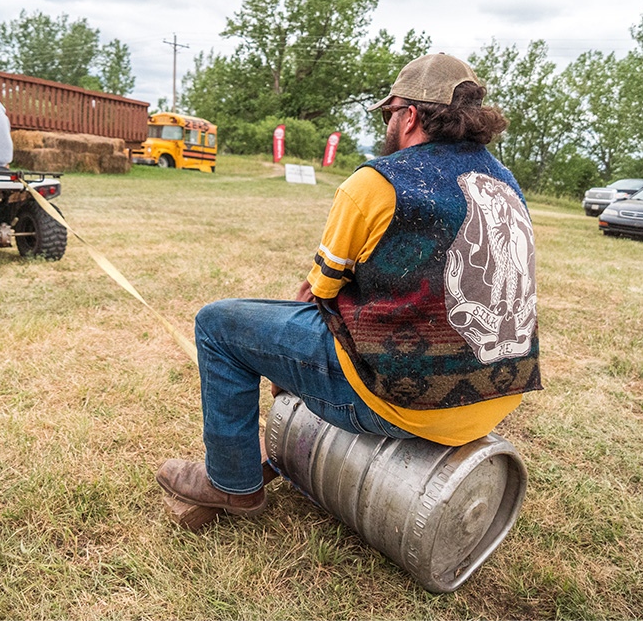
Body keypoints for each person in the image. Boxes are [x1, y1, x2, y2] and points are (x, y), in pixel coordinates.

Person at [156, 53, 542, 518]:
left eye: (388, 113)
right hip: (495, 400)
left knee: (217, 325)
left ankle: (232, 484)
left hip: (409, 404)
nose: (387, 123)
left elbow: (316, 294)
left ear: (410, 115)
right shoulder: (505, 183)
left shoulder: (378, 181)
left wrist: (283, 371)